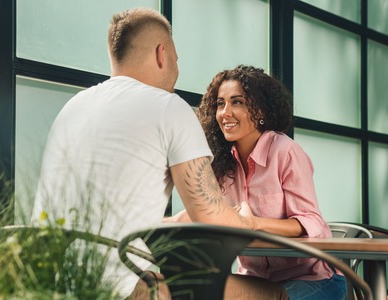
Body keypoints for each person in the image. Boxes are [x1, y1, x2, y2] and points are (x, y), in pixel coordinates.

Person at [32, 8, 288, 300]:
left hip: (51, 284)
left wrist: (171, 220)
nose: (176, 69)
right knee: (275, 295)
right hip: (127, 286)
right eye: (176, 59)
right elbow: (213, 219)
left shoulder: (72, 108)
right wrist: (244, 218)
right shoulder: (168, 106)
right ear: (161, 54)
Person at [191, 65, 347, 299]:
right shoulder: (221, 164)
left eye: (237, 102)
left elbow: (311, 221)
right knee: (196, 289)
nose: (225, 112)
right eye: (220, 104)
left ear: (261, 110)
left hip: (312, 279)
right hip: (255, 279)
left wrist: (255, 223)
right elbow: (212, 213)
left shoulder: (286, 152)